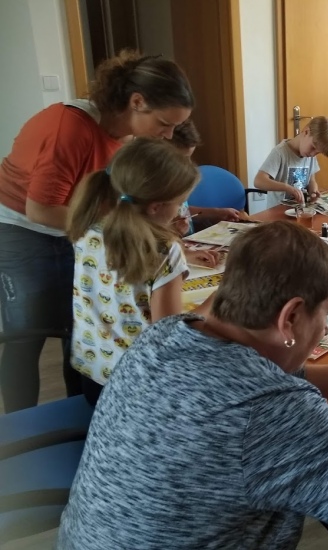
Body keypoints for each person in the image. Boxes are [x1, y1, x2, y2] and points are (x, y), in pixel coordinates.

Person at [56, 221, 328, 549]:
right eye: (326, 314)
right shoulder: (269, 413)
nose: (326, 329)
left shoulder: (166, 333)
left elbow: (243, 384)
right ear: (290, 318)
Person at [0, 50, 194, 412]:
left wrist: (142, 232)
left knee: (79, 325)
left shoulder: (126, 138)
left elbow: (116, 205)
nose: (168, 136)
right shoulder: (70, 128)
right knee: (29, 333)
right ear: (137, 102)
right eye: (165, 123)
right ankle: (18, 426)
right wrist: (129, 234)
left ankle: (85, 410)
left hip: (74, 227)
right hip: (20, 226)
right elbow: (39, 209)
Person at [66, 138, 198, 406]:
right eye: (180, 203)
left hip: (92, 377)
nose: (180, 211)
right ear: (156, 207)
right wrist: (215, 304)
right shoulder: (165, 250)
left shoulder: (88, 230)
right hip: (138, 388)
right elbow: (168, 334)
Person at [169, 119, 240, 269]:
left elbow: (183, 210)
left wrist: (216, 212)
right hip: (172, 255)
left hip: (185, 249)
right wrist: (173, 235)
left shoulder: (175, 179)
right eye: (182, 159)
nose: (188, 164)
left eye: (189, 157)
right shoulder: (155, 188)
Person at [254, 116, 328, 208]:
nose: (313, 154)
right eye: (313, 147)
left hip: (299, 210)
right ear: (306, 131)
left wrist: (313, 191)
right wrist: (287, 187)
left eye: (318, 152)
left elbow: (311, 180)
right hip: (278, 212)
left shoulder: (310, 156)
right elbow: (258, 181)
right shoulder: (280, 152)